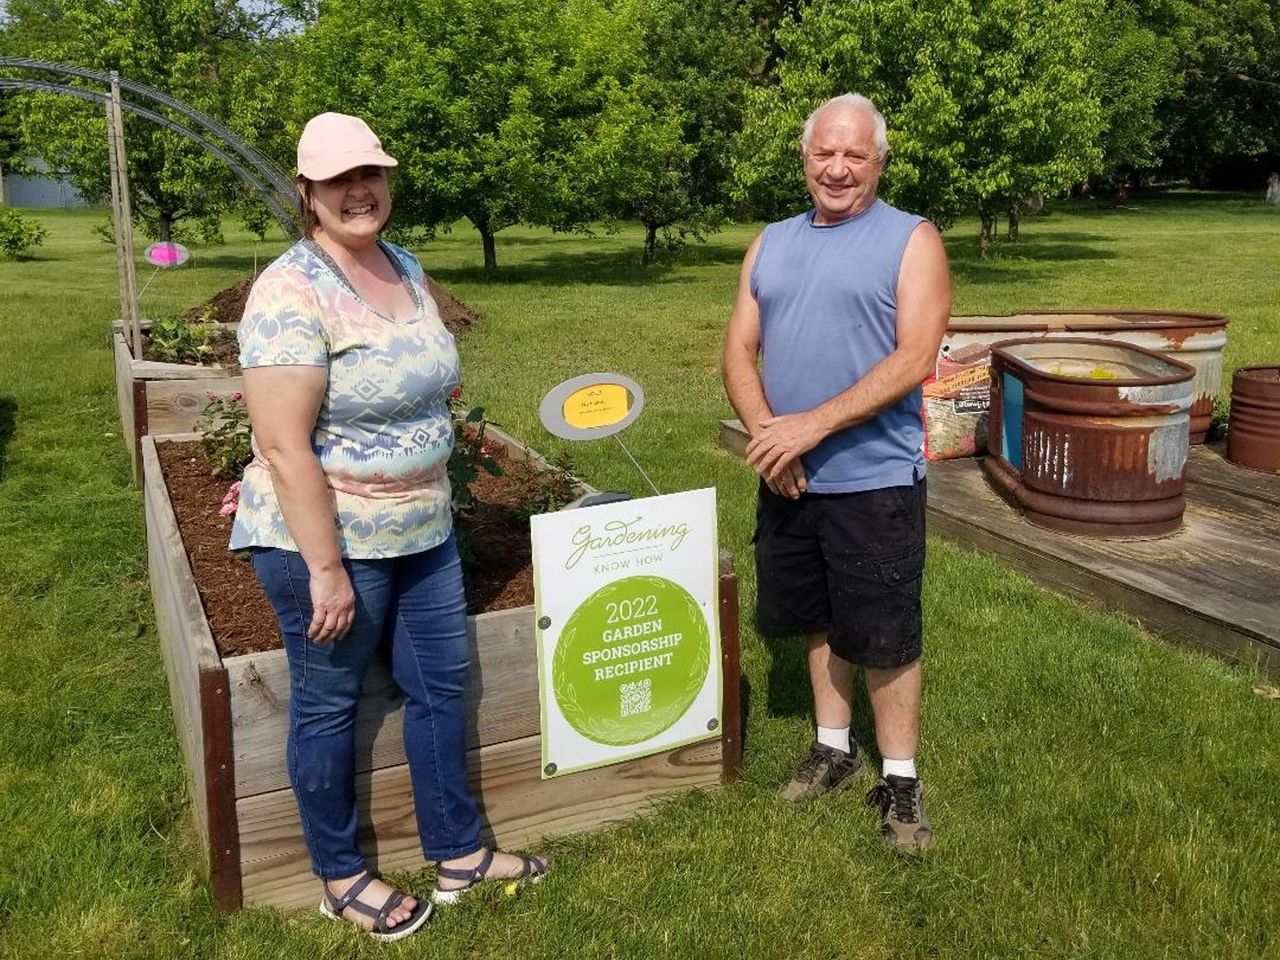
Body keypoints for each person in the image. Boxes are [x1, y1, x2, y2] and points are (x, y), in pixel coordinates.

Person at [230, 112, 546, 940]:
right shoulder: (288, 292)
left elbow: (429, 381)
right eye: (337, 180)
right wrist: (327, 569)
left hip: (422, 530)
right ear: (307, 194)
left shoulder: (402, 266)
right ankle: (339, 876)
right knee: (327, 708)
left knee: (441, 688)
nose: (357, 191)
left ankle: (459, 855)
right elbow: (281, 443)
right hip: (328, 543)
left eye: (369, 174)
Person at [721, 93, 951, 850]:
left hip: (874, 480)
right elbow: (736, 351)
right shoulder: (772, 242)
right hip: (789, 478)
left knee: (884, 633)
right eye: (826, 152)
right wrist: (769, 438)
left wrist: (810, 427)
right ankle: (832, 747)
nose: (839, 168)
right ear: (804, 157)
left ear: (880, 161)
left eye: (856, 154)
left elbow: (915, 357)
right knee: (816, 616)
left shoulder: (911, 240)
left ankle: (903, 781)